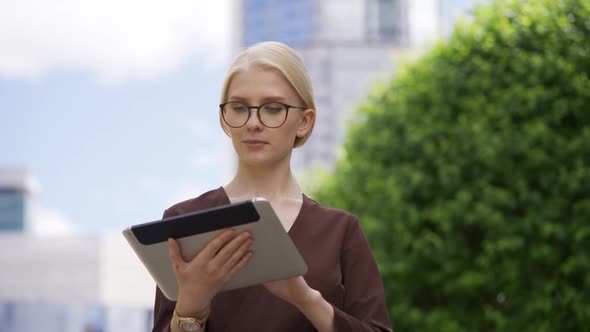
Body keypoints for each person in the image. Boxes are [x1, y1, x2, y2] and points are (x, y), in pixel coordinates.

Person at [152, 41, 392, 332]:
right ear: (225, 119)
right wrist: (192, 306)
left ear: (304, 122)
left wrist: (306, 299)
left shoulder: (341, 231)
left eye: (273, 108)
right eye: (239, 108)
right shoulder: (182, 222)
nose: (253, 122)